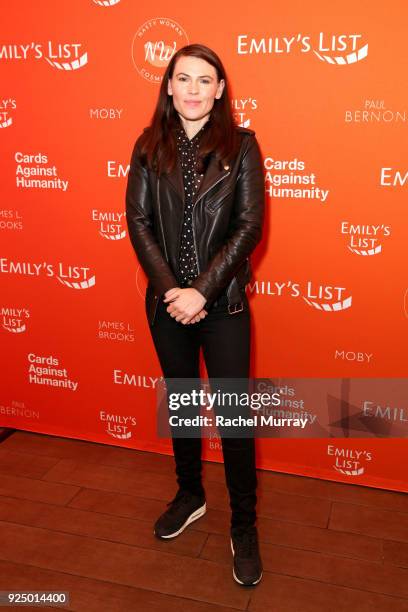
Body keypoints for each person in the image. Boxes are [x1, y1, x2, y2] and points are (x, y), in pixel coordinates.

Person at [125, 43, 265, 586]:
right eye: (182, 78)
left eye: (204, 80)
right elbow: (138, 222)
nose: (192, 89)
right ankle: (190, 494)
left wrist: (201, 291)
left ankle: (245, 525)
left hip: (223, 304)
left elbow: (248, 227)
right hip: (166, 306)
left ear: (220, 89)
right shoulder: (146, 146)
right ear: (168, 86)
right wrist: (171, 291)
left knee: (233, 418)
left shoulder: (243, 147)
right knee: (181, 404)